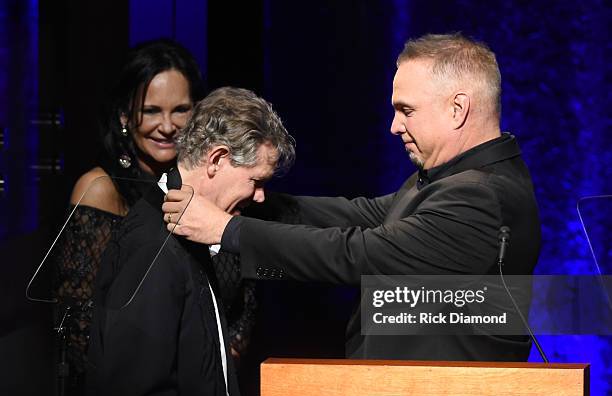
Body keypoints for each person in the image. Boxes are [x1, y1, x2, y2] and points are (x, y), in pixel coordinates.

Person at [161, 33, 541, 362]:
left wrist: (227, 229)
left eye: (406, 110)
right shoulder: (450, 178)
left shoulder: (480, 197)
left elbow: (357, 253)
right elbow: (356, 215)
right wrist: (248, 194)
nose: (395, 126)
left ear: (457, 109)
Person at [82, 87, 296, 396]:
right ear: (217, 159)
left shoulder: (180, 232)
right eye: (255, 181)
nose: (261, 196)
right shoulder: (153, 245)